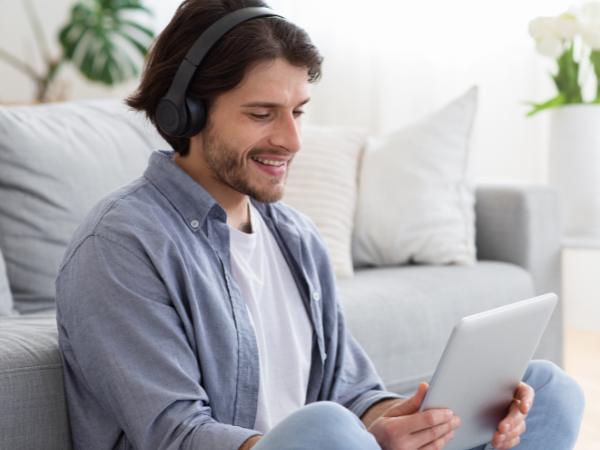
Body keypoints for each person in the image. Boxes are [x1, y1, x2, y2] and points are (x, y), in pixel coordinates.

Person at [55, 1, 585, 449]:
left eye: (299, 112)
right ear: (185, 114)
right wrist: (353, 437)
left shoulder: (295, 236)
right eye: (263, 114)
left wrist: (415, 422)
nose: (291, 140)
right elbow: (177, 434)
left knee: (548, 388)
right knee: (328, 429)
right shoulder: (121, 244)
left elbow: (353, 392)